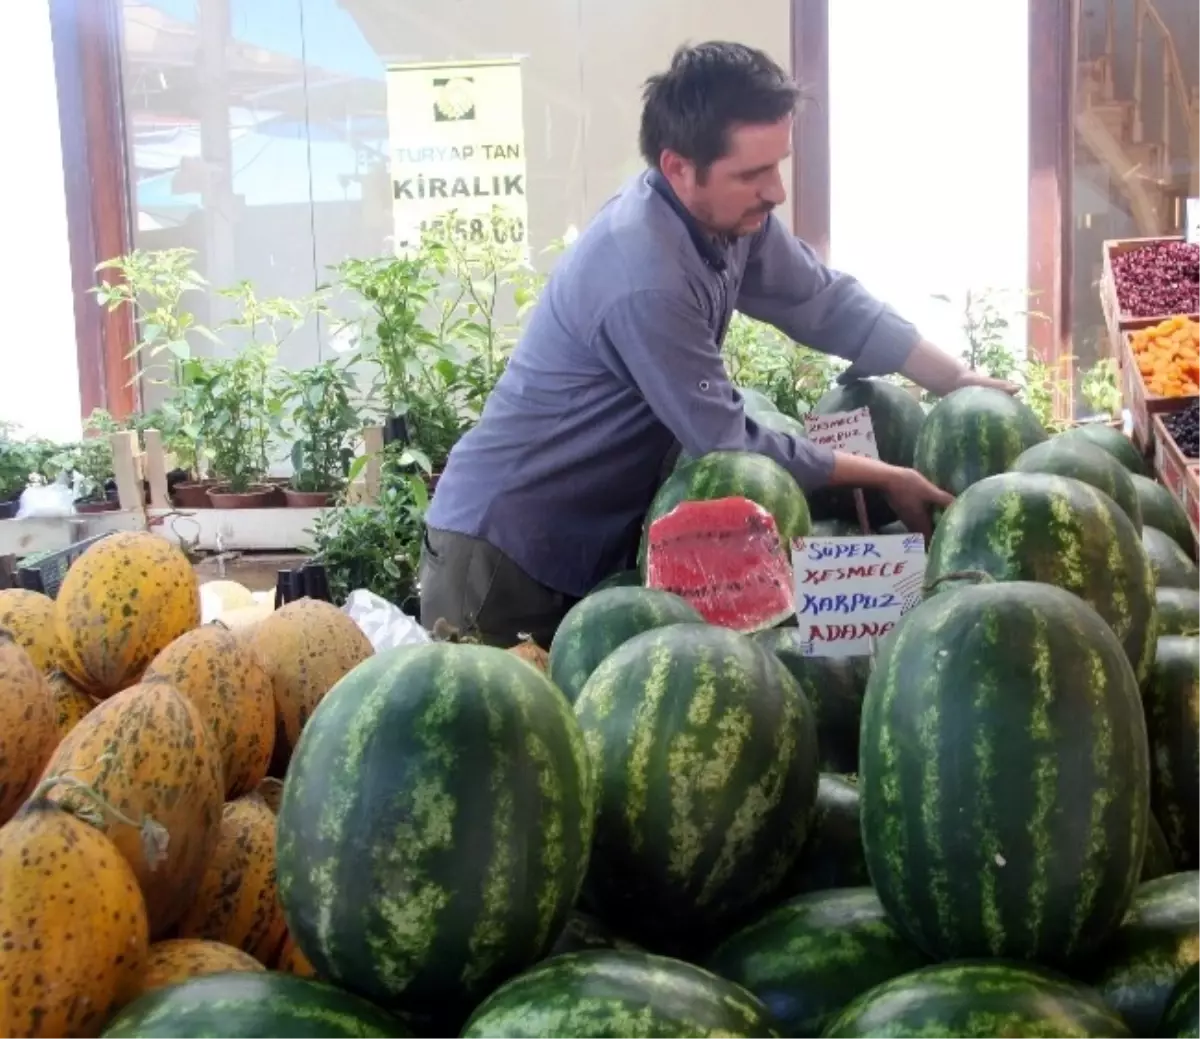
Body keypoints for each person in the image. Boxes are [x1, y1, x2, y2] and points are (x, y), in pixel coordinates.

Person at [419, 40, 1016, 648]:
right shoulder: (643, 276)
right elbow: (730, 443)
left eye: (778, 164)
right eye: (753, 174)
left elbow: (820, 299)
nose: (776, 191)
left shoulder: (726, 220)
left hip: (582, 542)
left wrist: (953, 378)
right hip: (503, 557)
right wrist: (885, 475)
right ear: (679, 167)